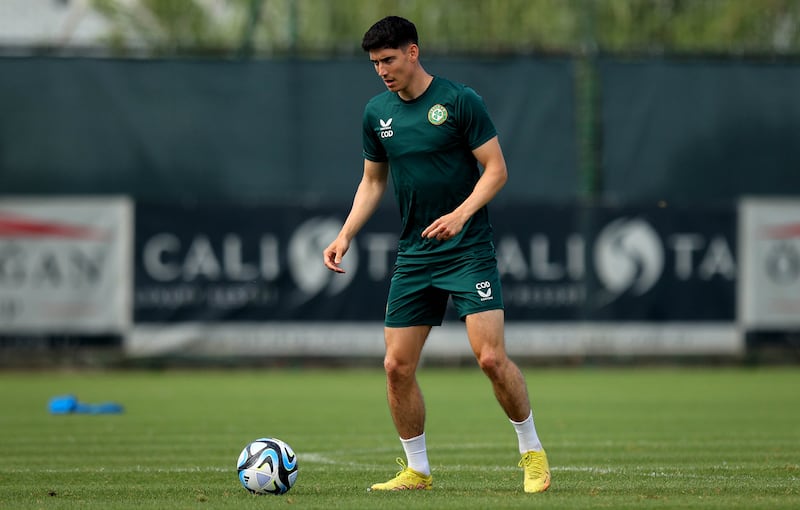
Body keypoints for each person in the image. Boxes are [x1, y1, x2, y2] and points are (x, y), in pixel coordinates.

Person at [323, 15, 550, 494]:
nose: (381, 70)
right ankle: (417, 471)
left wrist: (461, 214)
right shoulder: (376, 114)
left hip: (467, 251)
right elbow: (372, 181)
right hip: (415, 256)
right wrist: (344, 234)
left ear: (412, 52)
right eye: (374, 63)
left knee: (490, 358)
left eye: (388, 59)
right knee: (395, 367)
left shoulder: (459, 101)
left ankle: (532, 452)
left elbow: (496, 170)